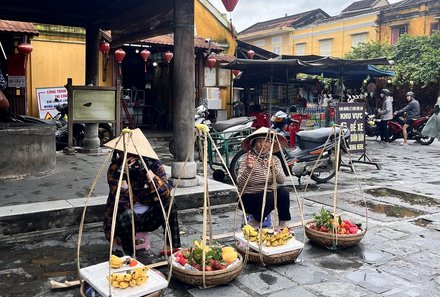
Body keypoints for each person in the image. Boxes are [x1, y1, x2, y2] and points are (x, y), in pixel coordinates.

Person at [103, 129, 181, 257]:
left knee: (170, 203)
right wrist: (123, 177)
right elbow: (122, 204)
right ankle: (129, 254)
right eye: (122, 153)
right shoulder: (115, 169)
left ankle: (171, 246)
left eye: (130, 153)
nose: (127, 157)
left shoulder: (153, 164)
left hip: (148, 218)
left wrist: (147, 172)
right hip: (122, 220)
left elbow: (166, 193)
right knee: (127, 214)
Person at [237, 127, 291, 227]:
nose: (263, 145)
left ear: (271, 144)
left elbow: (281, 180)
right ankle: (254, 223)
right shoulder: (247, 159)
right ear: (254, 144)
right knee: (269, 196)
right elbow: (240, 183)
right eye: (259, 142)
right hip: (249, 198)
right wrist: (248, 169)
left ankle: (282, 224)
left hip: (268, 198)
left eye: (266, 141)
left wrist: (273, 167)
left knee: (283, 193)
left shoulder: (274, 159)